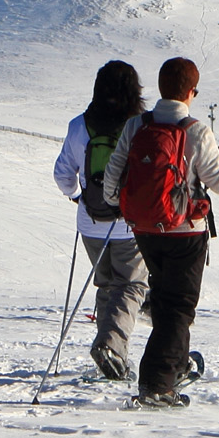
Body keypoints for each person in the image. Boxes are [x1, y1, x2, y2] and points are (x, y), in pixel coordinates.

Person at [103, 55, 219, 408]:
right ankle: (158, 383)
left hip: (144, 228)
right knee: (179, 307)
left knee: (164, 300)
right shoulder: (195, 130)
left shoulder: (136, 126)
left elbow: (115, 172)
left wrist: (120, 204)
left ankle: (175, 364)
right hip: (185, 231)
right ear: (191, 92)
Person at [53, 60, 148, 381]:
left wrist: (78, 197)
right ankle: (111, 345)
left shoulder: (79, 125)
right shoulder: (139, 127)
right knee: (132, 284)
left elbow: (63, 175)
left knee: (107, 283)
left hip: (90, 221)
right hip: (129, 223)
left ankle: (109, 352)